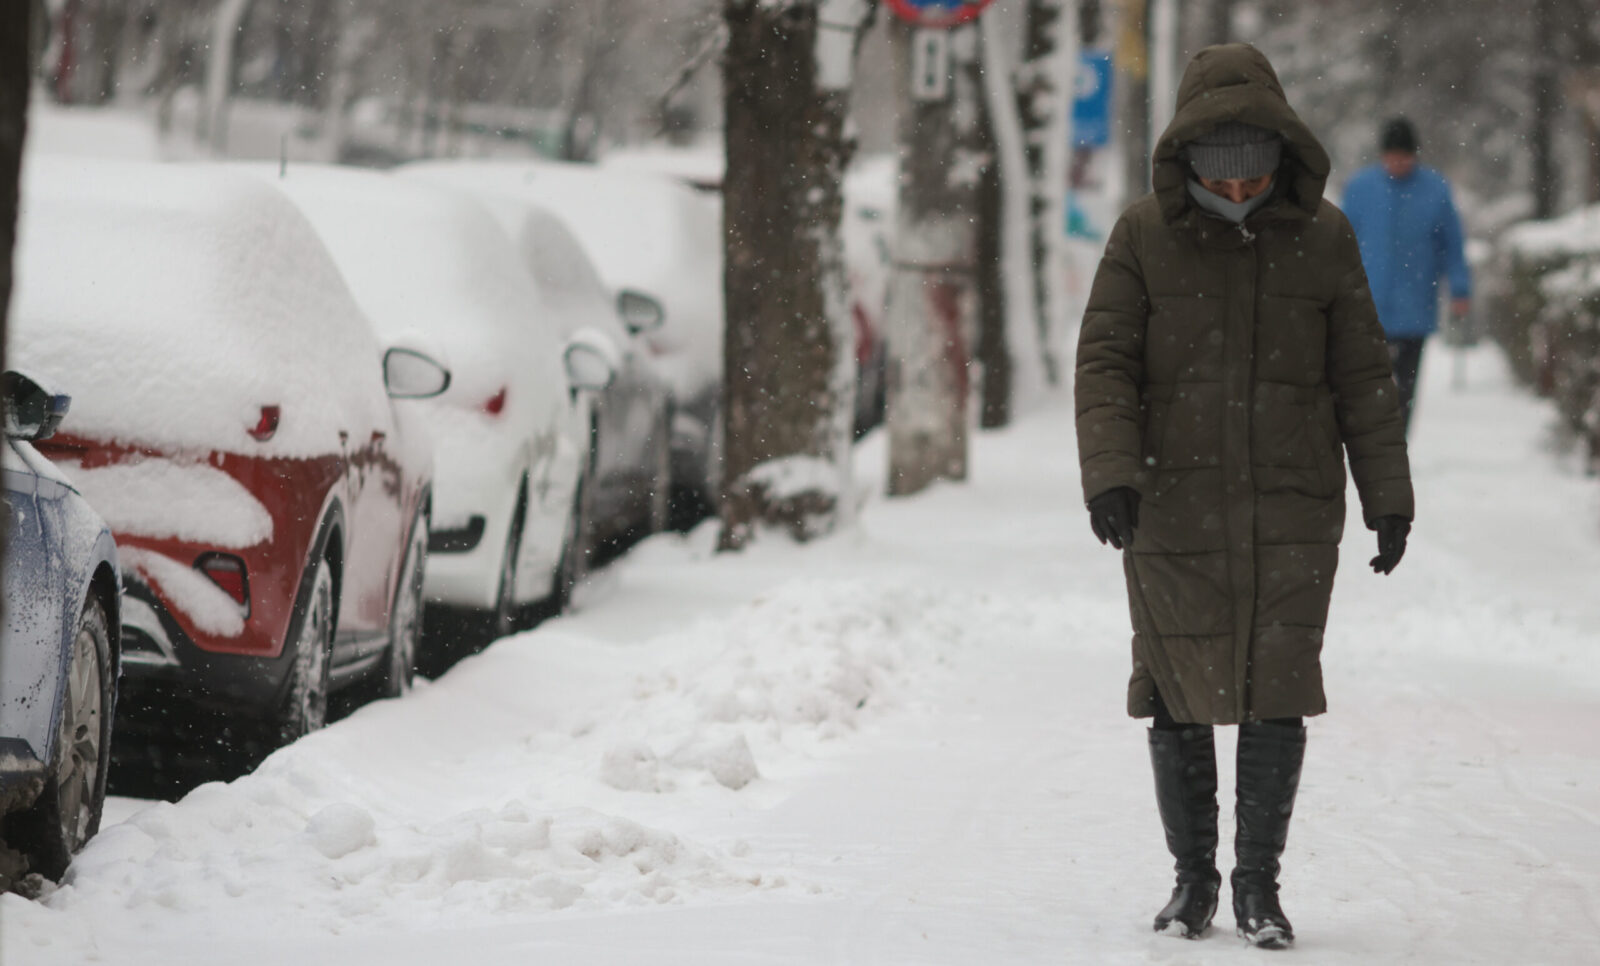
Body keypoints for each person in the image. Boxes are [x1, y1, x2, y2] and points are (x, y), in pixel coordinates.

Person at [1074, 43, 1413, 949]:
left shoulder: (1326, 237)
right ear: (1188, 164)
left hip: (1293, 505)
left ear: (1279, 154)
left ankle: (1259, 885)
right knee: (1177, 692)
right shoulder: (1143, 235)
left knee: (1279, 690)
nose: (1236, 195)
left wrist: (1389, 495)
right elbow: (1105, 361)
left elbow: (1363, 378)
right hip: (1169, 505)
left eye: (1252, 176)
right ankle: (1194, 885)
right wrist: (1108, 472)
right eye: (1218, 180)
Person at [1340, 117, 1472, 434]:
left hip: (1415, 306)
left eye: (1404, 156)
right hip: (1367, 307)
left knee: (1405, 387)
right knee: (1369, 383)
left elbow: (1452, 245)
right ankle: (1371, 441)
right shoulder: (1360, 188)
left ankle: (1398, 444)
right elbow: (1340, 242)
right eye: (1391, 156)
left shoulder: (1435, 190)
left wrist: (1461, 289)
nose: (1397, 163)